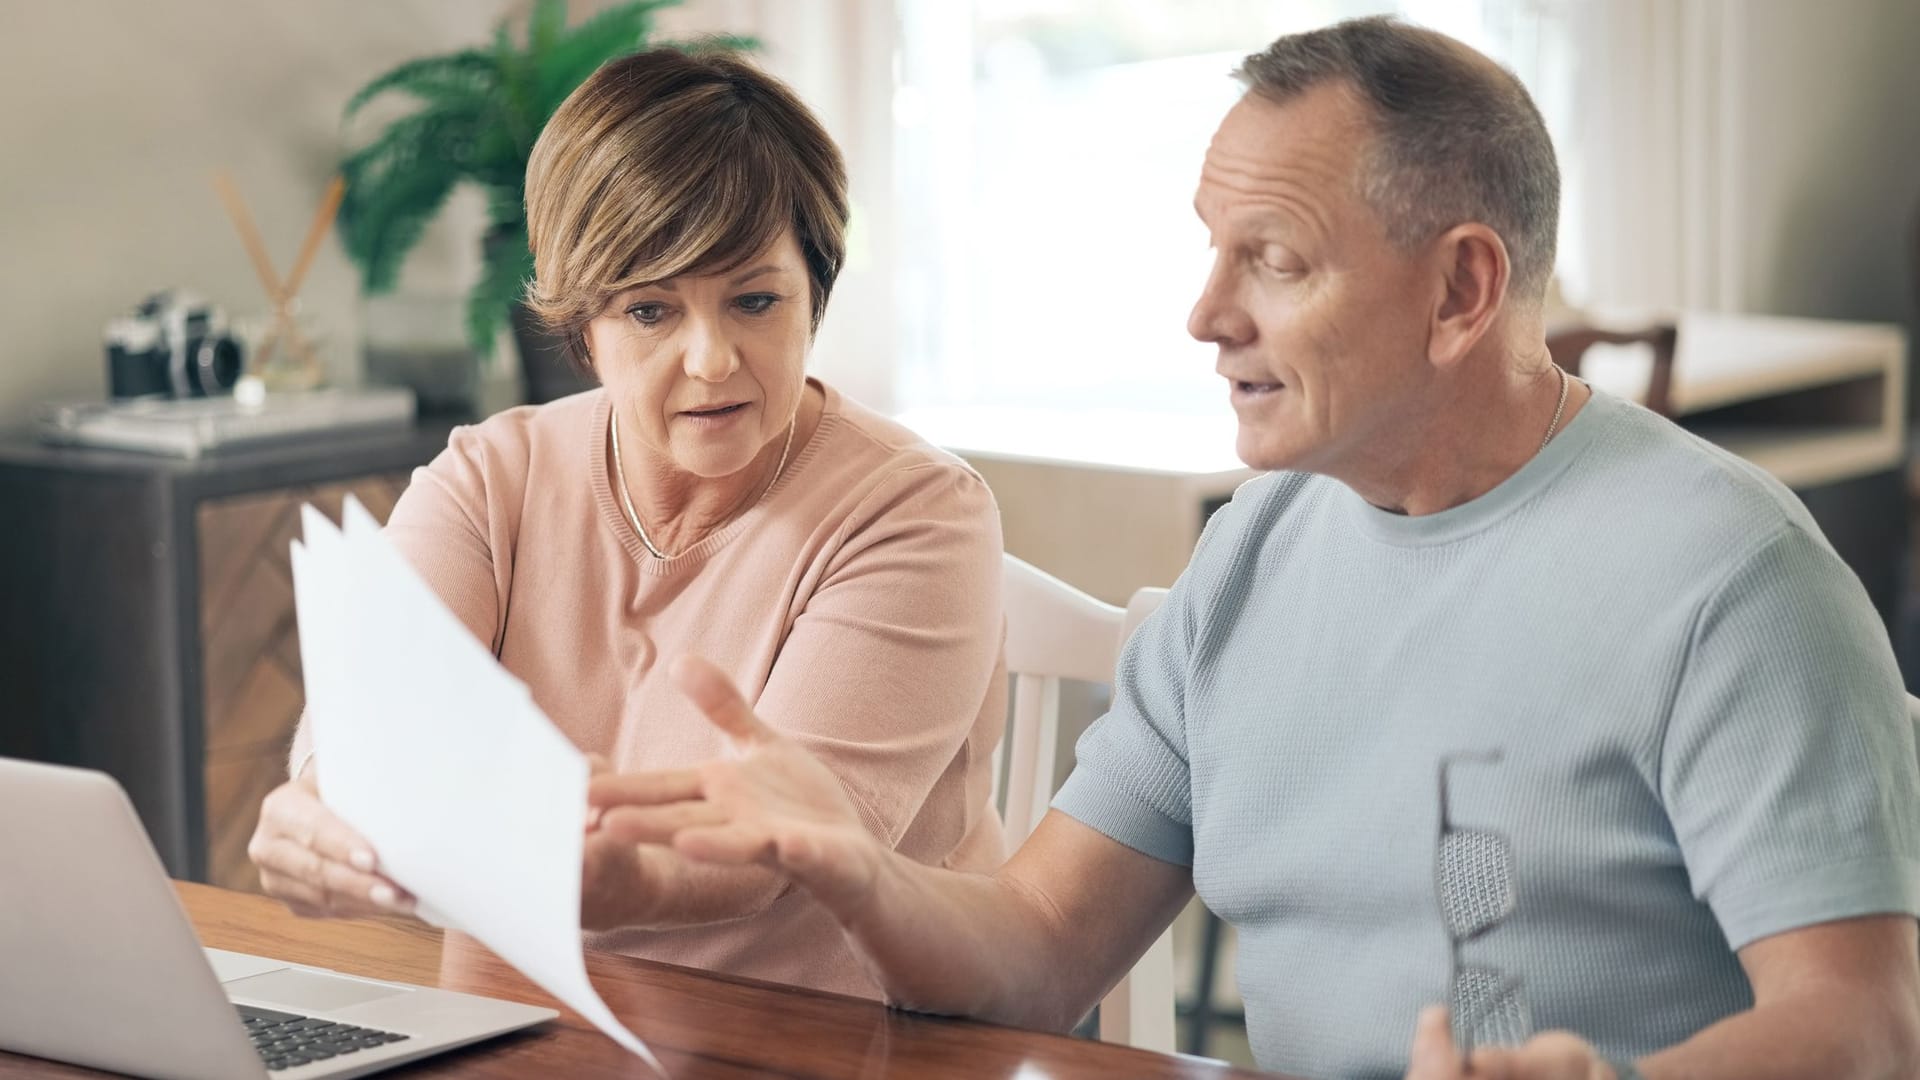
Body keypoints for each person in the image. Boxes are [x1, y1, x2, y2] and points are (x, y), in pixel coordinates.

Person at [585, 17, 1920, 1080]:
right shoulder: (1257, 552)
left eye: (1272, 260)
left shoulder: (1735, 582)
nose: (1205, 314)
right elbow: (1044, 946)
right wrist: (856, 872)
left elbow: (1864, 1030)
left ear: (1461, 289)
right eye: (1210, 253)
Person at [246, 48, 1009, 999]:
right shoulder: (490, 474)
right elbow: (375, 719)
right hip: (513, 1032)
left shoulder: (918, 514)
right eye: (650, 309)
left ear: (816, 289)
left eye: (755, 300)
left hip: (813, 1044)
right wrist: (326, 812)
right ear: (583, 326)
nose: (711, 359)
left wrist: (614, 874)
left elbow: (790, 849)